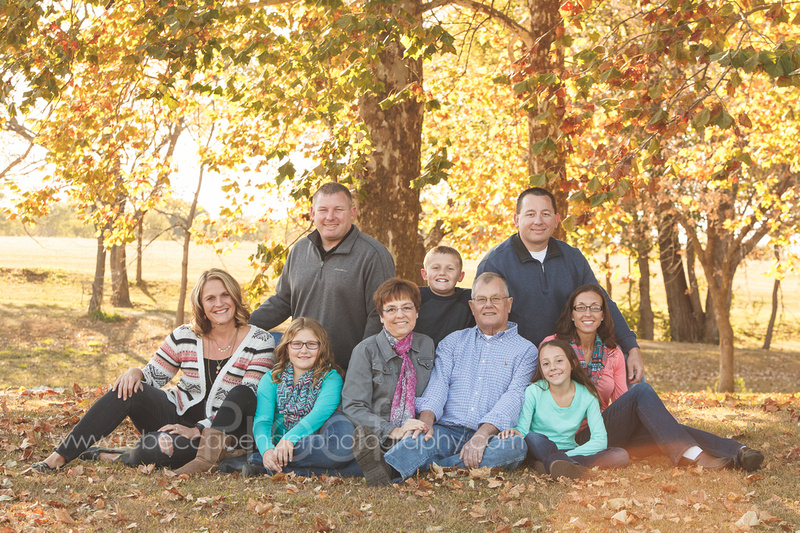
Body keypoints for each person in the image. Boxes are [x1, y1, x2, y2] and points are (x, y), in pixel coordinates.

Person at [31, 269, 275, 472]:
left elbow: (248, 396)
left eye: (225, 295)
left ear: (235, 297)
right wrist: (135, 372)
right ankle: (59, 457)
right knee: (129, 389)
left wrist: (196, 429)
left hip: (220, 432)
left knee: (157, 448)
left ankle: (117, 457)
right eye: (210, 298)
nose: (219, 303)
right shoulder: (185, 335)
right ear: (201, 305)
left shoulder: (260, 341)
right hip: (175, 417)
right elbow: (152, 376)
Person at [546, 284, 764, 471]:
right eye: (581, 308)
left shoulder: (612, 353)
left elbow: (623, 403)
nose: (588, 313)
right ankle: (697, 454)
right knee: (643, 393)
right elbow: (544, 396)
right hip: (573, 436)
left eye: (595, 308)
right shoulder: (553, 347)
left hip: (605, 431)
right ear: (572, 314)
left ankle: (739, 453)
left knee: (665, 428)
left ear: (603, 315)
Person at [371, 272, 538, 484]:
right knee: (413, 442)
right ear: (472, 306)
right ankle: (451, 468)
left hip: (491, 435)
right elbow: (439, 383)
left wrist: (482, 435)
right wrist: (426, 421)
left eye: (495, 299)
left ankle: (435, 470)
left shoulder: (526, 350)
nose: (488, 305)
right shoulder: (453, 342)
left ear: (509, 304)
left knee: (514, 447)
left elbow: (515, 396)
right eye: (481, 300)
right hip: (447, 430)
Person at [476, 187, 644, 384]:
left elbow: (602, 302)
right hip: (520, 359)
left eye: (545, 214)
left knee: (631, 370)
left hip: (572, 355)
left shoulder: (572, 258)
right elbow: (483, 318)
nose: (538, 221)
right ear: (516, 219)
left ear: (556, 220)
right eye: (530, 214)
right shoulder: (495, 263)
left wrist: (632, 348)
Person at [249, 182, 395, 373]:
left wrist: (360, 368)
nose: (330, 217)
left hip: (346, 371)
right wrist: (241, 325)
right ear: (312, 212)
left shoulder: (373, 255)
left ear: (352, 212)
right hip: (300, 367)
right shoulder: (299, 250)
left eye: (338, 210)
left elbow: (380, 316)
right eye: (323, 210)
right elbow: (283, 301)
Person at [229, 317, 360, 477]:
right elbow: (263, 421)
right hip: (282, 442)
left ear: (322, 348)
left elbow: (319, 413)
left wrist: (290, 439)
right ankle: (355, 469)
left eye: (311, 344)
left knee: (342, 445)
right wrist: (267, 451)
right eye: (296, 344)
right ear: (286, 348)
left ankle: (266, 466)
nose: (304, 350)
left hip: (315, 438)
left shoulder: (331, 378)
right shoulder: (271, 379)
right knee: (356, 466)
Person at [342, 278, 436, 485]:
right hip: (377, 432)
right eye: (391, 309)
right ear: (381, 317)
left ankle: (385, 466)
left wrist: (418, 426)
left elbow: (433, 392)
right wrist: (393, 430)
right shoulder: (365, 351)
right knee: (345, 448)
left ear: (417, 312)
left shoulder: (427, 345)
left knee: (434, 444)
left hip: (414, 434)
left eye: (406, 307)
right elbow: (354, 406)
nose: (400, 315)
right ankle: (382, 461)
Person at [499, 339, 629, 480]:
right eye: (546, 364)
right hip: (541, 448)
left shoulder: (587, 395)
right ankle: (561, 464)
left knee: (620, 455)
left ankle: (551, 464)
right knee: (533, 437)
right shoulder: (534, 391)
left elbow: (600, 439)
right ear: (541, 369)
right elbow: (524, 431)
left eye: (559, 361)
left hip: (572, 450)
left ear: (572, 363)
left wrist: (566, 456)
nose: (553, 367)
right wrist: (516, 431)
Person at [414, 246, 475, 346]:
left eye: (450, 268)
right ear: (424, 274)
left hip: (456, 357)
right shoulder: (415, 296)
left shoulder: (469, 299)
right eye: (435, 268)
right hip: (420, 356)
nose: (442, 273)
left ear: (461, 276)